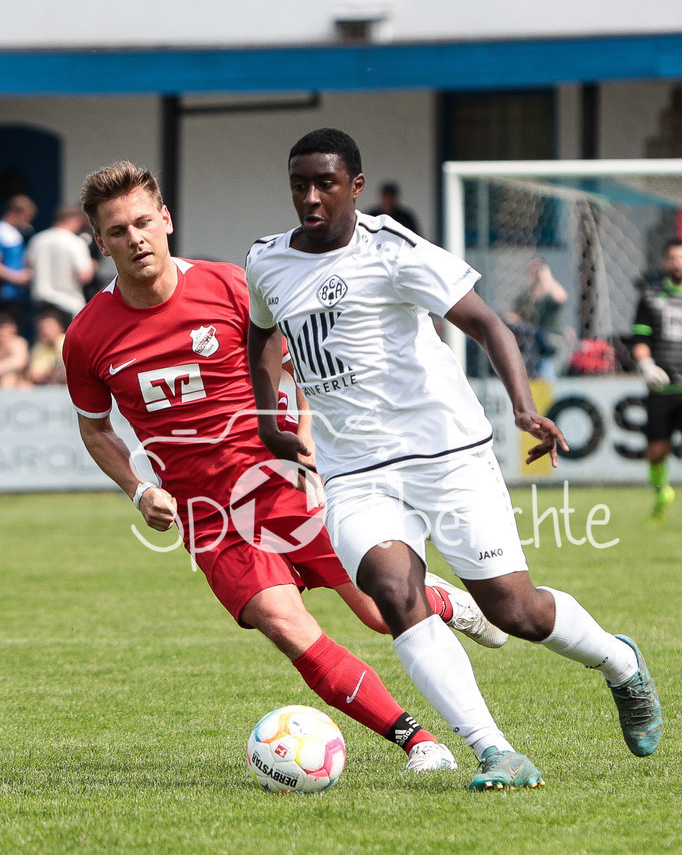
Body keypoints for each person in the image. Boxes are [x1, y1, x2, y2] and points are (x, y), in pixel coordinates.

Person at [246, 127, 663, 790]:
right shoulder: (268, 260)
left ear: (356, 185)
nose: (311, 198)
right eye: (300, 185)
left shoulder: (394, 250)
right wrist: (271, 418)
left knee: (513, 611)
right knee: (393, 592)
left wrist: (523, 408)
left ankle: (620, 663)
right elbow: (263, 334)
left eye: (326, 183)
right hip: (355, 471)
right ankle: (495, 752)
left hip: (448, 454)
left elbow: (488, 323)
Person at [63, 161, 505, 779]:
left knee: (378, 611)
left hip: (279, 481)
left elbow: (300, 368)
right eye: (118, 231)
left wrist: (307, 444)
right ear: (100, 241)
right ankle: (418, 740)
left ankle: (441, 601)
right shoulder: (87, 336)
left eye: (143, 222)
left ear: (165, 220)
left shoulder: (230, 286)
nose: (135, 238)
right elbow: (95, 428)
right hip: (210, 518)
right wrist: (139, 490)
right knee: (283, 623)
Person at [629, 238, 682, 523]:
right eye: (673, 258)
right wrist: (646, 365)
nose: (677, 263)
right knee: (656, 451)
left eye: (681, 258)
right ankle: (663, 492)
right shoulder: (650, 296)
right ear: (665, 261)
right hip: (662, 387)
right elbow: (640, 338)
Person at [27, 205, 95, 323]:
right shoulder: (76, 242)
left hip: (42, 303)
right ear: (73, 220)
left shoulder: (37, 240)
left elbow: (28, 268)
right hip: (67, 303)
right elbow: (85, 276)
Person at [505, 258, 569, 380]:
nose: (534, 274)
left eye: (537, 270)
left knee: (545, 368)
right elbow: (517, 316)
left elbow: (562, 297)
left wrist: (547, 278)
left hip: (550, 339)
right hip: (532, 341)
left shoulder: (550, 295)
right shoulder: (526, 297)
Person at [0, 194, 37, 336]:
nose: (28, 222)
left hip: (15, 297)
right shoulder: (3, 232)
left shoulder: (14, 233)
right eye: (27, 217)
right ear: (16, 213)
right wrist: (17, 277)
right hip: (4, 298)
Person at [26, 307, 67, 385]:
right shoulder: (38, 347)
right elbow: (33, 375)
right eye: (42, 328)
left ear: (60, 328)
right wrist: (49, 373)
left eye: (49, 327)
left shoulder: (67, 342)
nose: (45, 331)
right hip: (46, 385)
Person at [0, 310, 29, 387]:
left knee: (8, 378)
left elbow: (19, 362)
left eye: (5, 328)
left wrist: (2, 367)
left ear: (13, 329)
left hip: (18, 383)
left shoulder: (18, 343)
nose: (3, 332)